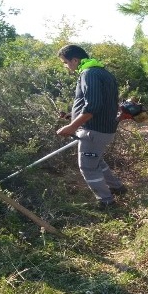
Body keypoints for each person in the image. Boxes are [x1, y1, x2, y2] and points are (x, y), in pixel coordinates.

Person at [55, 45, 126, 210]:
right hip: (104, 128)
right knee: (96, 161)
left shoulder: (89, 73)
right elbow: (104, 105)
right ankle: (117, 188)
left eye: (65, 63)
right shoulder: (103, 72)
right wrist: (70, 116)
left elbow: (93, 106)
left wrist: (72, 127)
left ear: (75, 60)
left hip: (94, 130)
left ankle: (106, 202)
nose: (66, 66)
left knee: (87, 166)